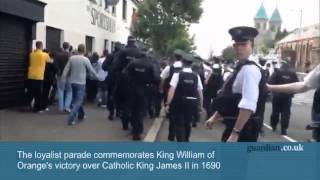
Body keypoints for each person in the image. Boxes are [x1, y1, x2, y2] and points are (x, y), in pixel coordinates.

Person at [205, 26, 268, 142]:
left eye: (243, 44)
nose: (239, 48)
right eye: (236, 45)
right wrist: (214, 117)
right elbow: (231, 99)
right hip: (235, 126)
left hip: (243, 129)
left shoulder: (250, 69)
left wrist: (235, 133)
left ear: (251, 46)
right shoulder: (241, 67)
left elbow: (248, 105)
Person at [165, 53, 204, 142]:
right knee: (188, 123)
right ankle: (186, 140)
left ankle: (181, 143)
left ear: (182, 63)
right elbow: (200, 93)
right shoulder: (196, 76)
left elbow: (171, 90)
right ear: (191, 64)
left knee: (180, 124)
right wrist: (200, 106)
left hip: (179, 103)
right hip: (191, 104)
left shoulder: (177, 74)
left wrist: (168, 104)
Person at [124, 48, 160, 140]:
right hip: (145, 89)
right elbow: (156, 78)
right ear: (147, 54)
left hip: (132, 88)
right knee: (140, 111)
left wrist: (132, 78)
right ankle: (138, 132)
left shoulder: (133, 62)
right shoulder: (151, 64)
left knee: (133, 110)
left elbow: (125, 72)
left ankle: (134, 129)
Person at [61, 44, 101, 125]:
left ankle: (81, 115)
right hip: (81, 83)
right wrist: (98, 77)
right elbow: (91, 70)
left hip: (72, 82)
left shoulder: (72, 58)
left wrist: (63, 78)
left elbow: (66, 69)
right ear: (84, 50)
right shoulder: (85, 59)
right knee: (78, 101)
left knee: (77, 99)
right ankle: (71, 118)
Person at [113, 36, 141, 130]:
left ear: (127, 42)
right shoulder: (139, 52)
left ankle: (125, 123)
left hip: (124, 81)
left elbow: (116, 66)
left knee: (125, 103)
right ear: (135, 42)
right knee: (136, 104)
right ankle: (134, 123)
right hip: (137, 82)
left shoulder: (122, 52)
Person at [268, 61, 299, 135]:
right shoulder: (292, 74)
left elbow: (270, 82)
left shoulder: (277, 72)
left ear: (282, 65)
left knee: (275, 111)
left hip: (277, 95)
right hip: (287, 96)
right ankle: (284, 129)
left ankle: (273, 126)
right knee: (286, 113)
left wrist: (273, 91)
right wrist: (292, 93)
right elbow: (297, 84)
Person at [160, 49, 184, 141]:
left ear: (174, 57)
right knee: (181, 116)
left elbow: (162, 78)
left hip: (171, 93)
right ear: (182, 58)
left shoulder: (169, 68)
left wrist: (161, 88)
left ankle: (171, 134)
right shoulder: (185, 68)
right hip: (182, 95)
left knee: (172, 115)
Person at [26, 41, 51, 112]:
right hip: (39, 76)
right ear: (41, 46)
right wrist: (48, 55)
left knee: (30, 92)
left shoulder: (31, 54)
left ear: (36, 46)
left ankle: (28, 105)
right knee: (38, 93)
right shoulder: (44, 55)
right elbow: (50, 61)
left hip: (30, 75)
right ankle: (37, 108)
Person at [54, 42, 72, 112]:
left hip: (60, 75)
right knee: (69, 91)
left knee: (60, 90)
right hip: (68, 75)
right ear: (68, 47)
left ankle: (60, 108)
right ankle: (66, 107)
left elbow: (55, 64)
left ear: (63, 46)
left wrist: (58, 71)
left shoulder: (58, 55)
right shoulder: (70, 55)